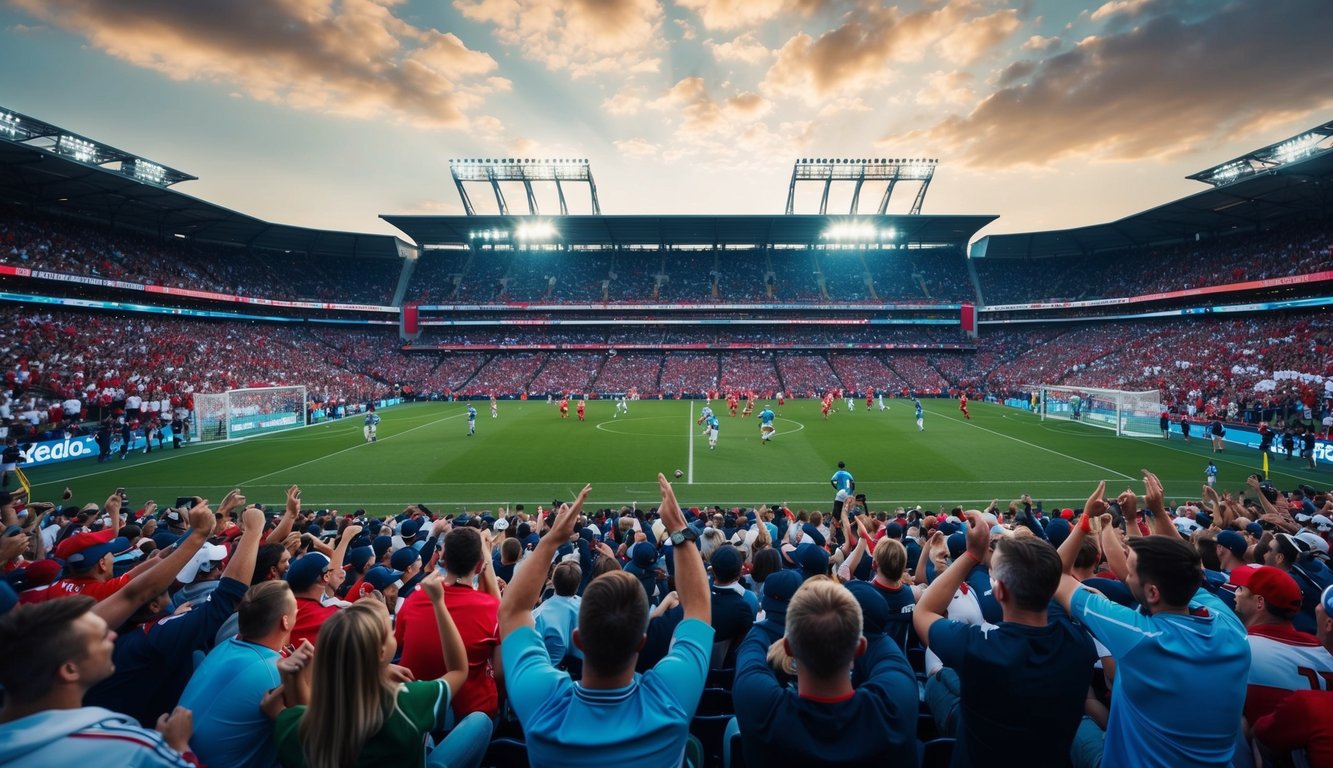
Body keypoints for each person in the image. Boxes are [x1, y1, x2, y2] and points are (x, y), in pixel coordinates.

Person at [498, 477, 713, 767]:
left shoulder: (543, 704)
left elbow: (512, 610)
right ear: (642, 642)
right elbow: (699, 607)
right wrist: (677, 529)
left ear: (578, 639)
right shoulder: (669, 700)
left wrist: (551, 539)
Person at [1055, 475, 1250, 768]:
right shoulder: (1230, 626)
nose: (1125, 575)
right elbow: (1190, 568)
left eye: (1130, 571)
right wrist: (1157, 513)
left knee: (1072, 719)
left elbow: (1056, 573)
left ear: (1152, 592)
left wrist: (1086, 520)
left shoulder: (1139, 635)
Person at [916, 512, 1097, 765]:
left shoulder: (977, 648)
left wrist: (971, 556)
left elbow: (924, 612)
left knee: (938, 680)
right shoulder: (1079, 644)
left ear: (999, 591)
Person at [273, 573, 493, 768]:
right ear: (379, 654)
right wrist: (439, 603)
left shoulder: (295, 728)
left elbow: (293, 713)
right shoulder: (405, 703)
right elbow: (458, 671)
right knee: (480, 721)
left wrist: (290, 680)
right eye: (390, 631)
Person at [733, 578, 918, 766]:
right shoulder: (894, 708)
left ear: (789, 647)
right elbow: (881, 643)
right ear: (860, 647)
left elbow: (752, 645)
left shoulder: (760, 709)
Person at [0, 597, 199, 767]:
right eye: (102, 636)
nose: (113, 635)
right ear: (70, 670)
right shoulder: (130, 745)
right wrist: (179, 747)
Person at [179, 581, 302, 768]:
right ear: (285, 621)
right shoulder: (276, 672)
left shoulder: (224, 645)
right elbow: (306, 737)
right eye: (295, 610)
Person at [396, 526, 502, 719]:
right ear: (479, 566)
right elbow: (502, 673)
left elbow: (398, 640)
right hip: (470, 715)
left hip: (413, 709)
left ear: (443, 561)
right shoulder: (491, 607)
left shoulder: (416, 596)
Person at [1230, 564, 1333, 726]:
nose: (1236, 593)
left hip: (1256, 745)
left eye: (1241, 589)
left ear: (1259, 602)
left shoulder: (1240, 648)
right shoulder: (1323, 653)